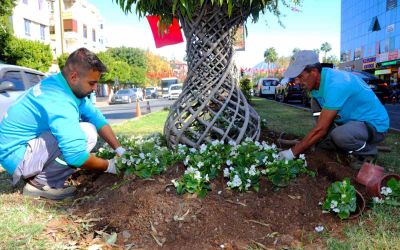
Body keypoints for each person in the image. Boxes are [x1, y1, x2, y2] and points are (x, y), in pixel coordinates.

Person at [0, 48, 125, 200]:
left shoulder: (61, 85)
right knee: (87, 133)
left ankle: (38, 173)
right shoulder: (59, 100)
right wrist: (110, 166)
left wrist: (119, 149)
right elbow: (76, 156)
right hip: (16, 157)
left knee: (86, 127)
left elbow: (96, 117)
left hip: (18, 149)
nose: (94, 89)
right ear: (74, 77)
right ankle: (40, 183)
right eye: (92, 83)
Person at [278, 50, 389, 169]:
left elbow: (320, 129)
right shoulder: (318, 84)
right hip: (353, 123)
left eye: (300, 77)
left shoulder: (336, 84)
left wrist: (292, 152)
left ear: (314, 72)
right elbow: (321, 122)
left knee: (340, 135)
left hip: (374, 125)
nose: (296, 82)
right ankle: (329, 140)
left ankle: (368, 153)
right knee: (315, 102)